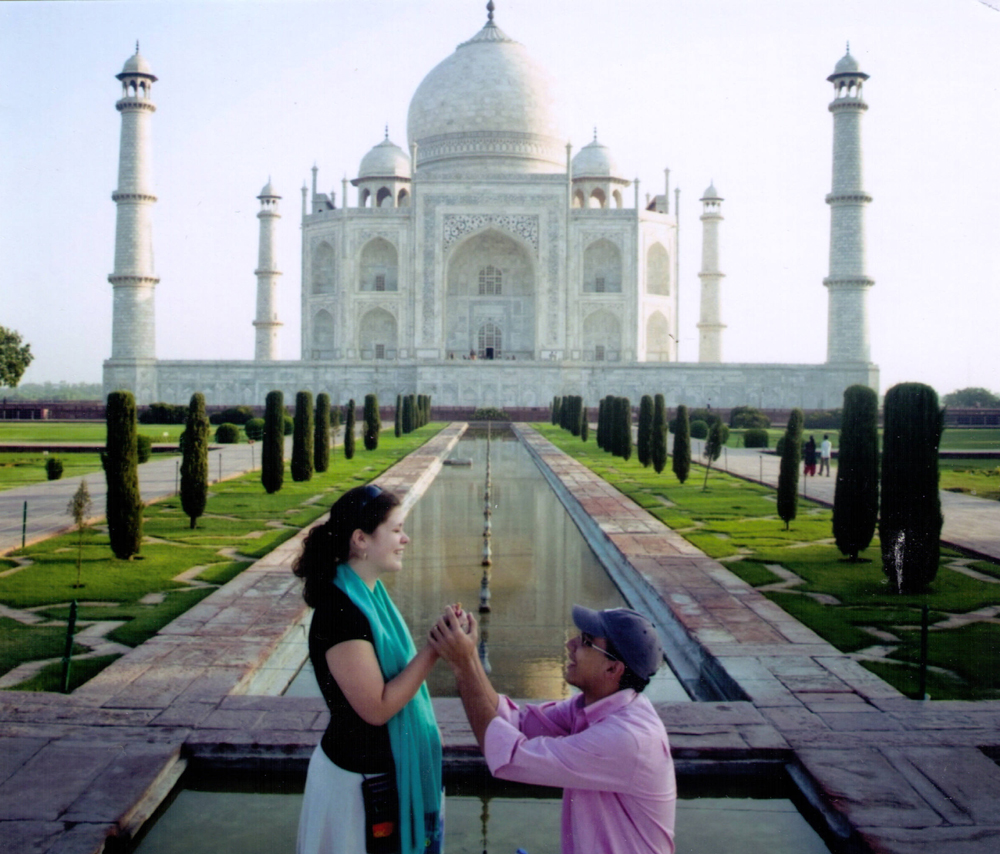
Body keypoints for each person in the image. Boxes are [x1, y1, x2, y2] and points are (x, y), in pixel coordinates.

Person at [430, 604, 677, 854]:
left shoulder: (627, 738)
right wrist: (469, 654)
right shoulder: (594, 707)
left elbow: (511, 758)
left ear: (613, 669)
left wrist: (462, 667)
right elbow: (516, 723)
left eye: (586, 641)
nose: (571, 645)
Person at [294, 484, 447, 854]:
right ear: (360, 539)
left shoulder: (369, 598)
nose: (405, 539)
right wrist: (434, 649)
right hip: (352, 789)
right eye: (395, 529)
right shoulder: (340, 612)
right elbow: (376, 708)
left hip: (377, 777)